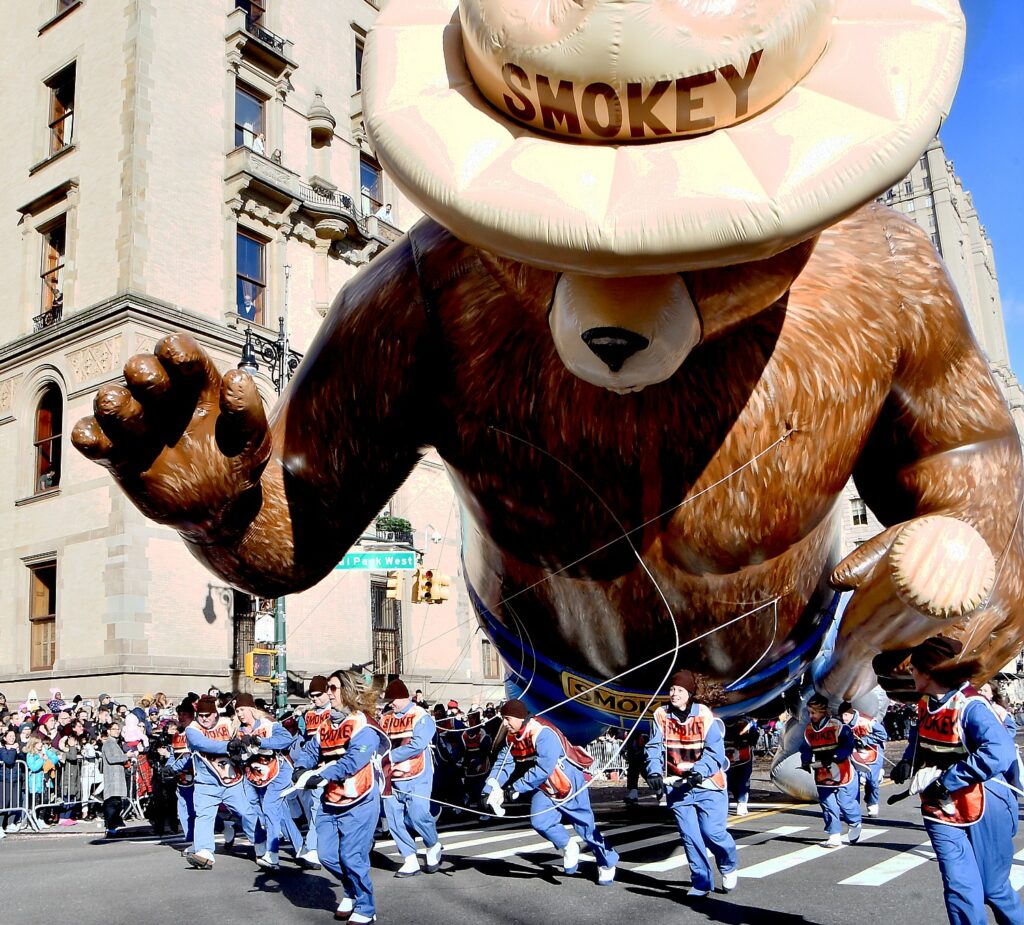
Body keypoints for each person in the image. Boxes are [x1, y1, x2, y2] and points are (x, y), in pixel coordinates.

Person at [890, 636, 1023, 925]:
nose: (909, 673)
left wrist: (949, 780)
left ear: (930, 672)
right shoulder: (925, 704)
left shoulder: (972, 707)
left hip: (986, 804)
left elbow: (999, 752)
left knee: (993, 889)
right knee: (961, 888)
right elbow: (921, 737)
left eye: (914, 668)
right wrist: (906, 762)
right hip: (940, 809)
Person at [292, 669, 391, 924]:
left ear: (347, 691)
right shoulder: (325, 724)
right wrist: (301, 768)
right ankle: (351, 890)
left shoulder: (364, 724)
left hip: (359, 799)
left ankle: (366, 907)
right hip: (330, 800)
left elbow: (353, 760)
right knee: (326, 855)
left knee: (351, 856)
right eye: (327, 688)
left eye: (333, 688)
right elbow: (311, 750)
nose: (328, 693)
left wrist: (321, 775)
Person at [484, 699, 618, 885]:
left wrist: (515, 787)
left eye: (507, 719)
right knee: (540, 821)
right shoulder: (511, 737)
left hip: (569, 780)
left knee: (586, 827)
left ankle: (607, 862)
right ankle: (568, 845)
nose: (504, 723)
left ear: (519, 717)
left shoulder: (543, 732)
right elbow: (503, 764)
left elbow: (544, 768)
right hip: (545, 785)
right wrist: (488, 790)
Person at [645, 671, 738, 896]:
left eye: (679, 690)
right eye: (672, 689)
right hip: (677, 786)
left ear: (689, 694)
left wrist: (699, 772)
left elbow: (715, 753)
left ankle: (728, 865)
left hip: (709, 785)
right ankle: (701, 882)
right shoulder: (660, 714)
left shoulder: (705, 716)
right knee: (690, 837)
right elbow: (654, 747)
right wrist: (654, 772)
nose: (674, 694)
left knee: (712, 833)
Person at [233, 692, 312, 869]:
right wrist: (235, 750)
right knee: (277, 813)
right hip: (256, 777)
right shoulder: (238, 730)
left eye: (242, 709)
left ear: (252, 709)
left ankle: (272, 854)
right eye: (237, 710)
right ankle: (301, 849)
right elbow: (240, 756)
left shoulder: (269, 724)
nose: (239, 714)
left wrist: (259, 741)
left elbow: (285, 740)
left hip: (279, 773)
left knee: (270, 807)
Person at [184, 695, 259, 870]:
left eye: (207, 715)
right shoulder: (192, 729)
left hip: (233, 780)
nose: (204, 719)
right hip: (206, 783)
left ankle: (261, 845)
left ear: (215, 713)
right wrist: (228, 746)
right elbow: (202, 744)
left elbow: (245, 736)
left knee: (246, 813)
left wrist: (243, 743)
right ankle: (204, 852)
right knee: (203, 816)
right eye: (200, 715)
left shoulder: (229, 723)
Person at [378, 679, 442, 876]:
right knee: (394, 818)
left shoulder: (421, 716)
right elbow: (379, 741)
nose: (391, 704)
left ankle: (433, 845)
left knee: (418, 815)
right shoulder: (386, 718)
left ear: (403, 697)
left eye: (393, 700)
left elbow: (418, 744)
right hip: (390, 775)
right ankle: (409, 858)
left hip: (416, 774)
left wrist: (389, 756)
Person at [800, 694, 862, 848]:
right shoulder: (808, 730)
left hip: (842, 771)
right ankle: (834, 834)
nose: (811, 716)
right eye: (809, 713)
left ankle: (855, 822)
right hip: (822, 772)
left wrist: (835, 756)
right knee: (828, 805)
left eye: (813, 712)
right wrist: (806, 761)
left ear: (823, 712)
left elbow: (847, 746)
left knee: (846, 803)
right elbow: (806, 748)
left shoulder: (837, 726)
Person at [296, 675, 331, 869]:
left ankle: (314, 849)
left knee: (321, 807)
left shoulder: (335, 712)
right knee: (313, 806)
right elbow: (307, 742)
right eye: (311, 695)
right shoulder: (309, 715)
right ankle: (316, 848)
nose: (314, 699)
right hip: (313, 768)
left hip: (332, 767)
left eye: (318, 695)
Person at [839, 700, 888, 817]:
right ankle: (853, 807)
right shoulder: (840, 724)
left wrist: (865, 740)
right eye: (841, 715)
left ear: (851, 713)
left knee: (872, 781)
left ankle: (872, 802)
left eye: (845, 715)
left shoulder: (867, 722)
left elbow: (883, 735)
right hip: (854, 752)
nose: (843, 718)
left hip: (872, 751)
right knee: (853, 781)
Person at [166, 701, 196, 853]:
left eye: (185, 714)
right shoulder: (177, 734)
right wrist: (168, 767)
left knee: (196, 810)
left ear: (192, 716)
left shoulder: (196, 732)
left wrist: (175, 768)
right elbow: (173, 755)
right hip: (182, 780)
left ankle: (222, 826)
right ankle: (190, 839)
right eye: (180, 714)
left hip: (197, 779)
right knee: (183, 809)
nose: (181, 717)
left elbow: (192, 757)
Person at [723, 716, 759, 816]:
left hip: (742, 755)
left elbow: (754, 736)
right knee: (725, 781)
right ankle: (727, 804)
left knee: (742, 780)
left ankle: (741, 803)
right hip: (726, 756)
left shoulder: (747, 723)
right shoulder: (716, 719)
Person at [99, 723, 129, 837]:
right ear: (108, 731)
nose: (117, 731)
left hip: (117, 776)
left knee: (116, 802)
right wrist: (127, 756)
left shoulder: (114, 743)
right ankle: (111, 828)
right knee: (112, 803)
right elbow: (111, 759)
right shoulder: (108, 743)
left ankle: (114, 827)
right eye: (114, 729)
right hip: (112, 777)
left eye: (118, 729)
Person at [460, 709, 492, 810]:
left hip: (482, 766)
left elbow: (485, 751)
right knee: (468, 789)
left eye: (474, 718)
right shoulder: (465, 734)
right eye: (470, 718)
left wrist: (478, 762)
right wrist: (464, 764)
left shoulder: (483, 733)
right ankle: (466, 808)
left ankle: (485, 810)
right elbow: (463, 751)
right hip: (470, 768)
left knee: (481, 790)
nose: (471, 721)